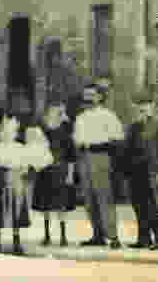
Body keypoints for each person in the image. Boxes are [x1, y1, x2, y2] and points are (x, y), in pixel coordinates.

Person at [0, 112, 53, 255]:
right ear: (0, 133)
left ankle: (16, 242)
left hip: (16, 183)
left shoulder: (20, 148)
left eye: (11, 132)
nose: (7, 134)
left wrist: (28, 167)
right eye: (4, 132)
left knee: (16, 212)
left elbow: (29, 165)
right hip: (0, 181)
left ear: (15, 133)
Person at [71, 83, 124, 248]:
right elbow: (76, 139)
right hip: (84, 158)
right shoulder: (80, 117)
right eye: (85, 95)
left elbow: (117, 139)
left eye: (92, 95)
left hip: (101, 157)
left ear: (100, 97)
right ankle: (97, 235)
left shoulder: (108, 116)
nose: (88, 98)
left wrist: (100, 148)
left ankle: (113, 237)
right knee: (89, 199)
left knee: (104, 198)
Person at [32, 101, 75, 247]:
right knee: (45, 205)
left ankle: (63, 237)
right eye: (54, 111)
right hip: (45, 170)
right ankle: (47, 236)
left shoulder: (65, 131)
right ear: (48, 112)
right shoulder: (41, 129)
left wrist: (70, 175)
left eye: (59, 112)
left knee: (61, 205)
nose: (56, 114)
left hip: (60, 171)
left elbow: (71, 156)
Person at [122, 94, 158, 249]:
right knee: (138, 205)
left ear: (153, 107)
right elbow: (127, 150)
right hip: (135, 172)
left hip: (152, 171)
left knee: (153, 206)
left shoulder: (155, 126)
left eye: (147, 104)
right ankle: (143, 238)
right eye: (140, 105)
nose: (143, 107)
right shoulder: (134, 126)